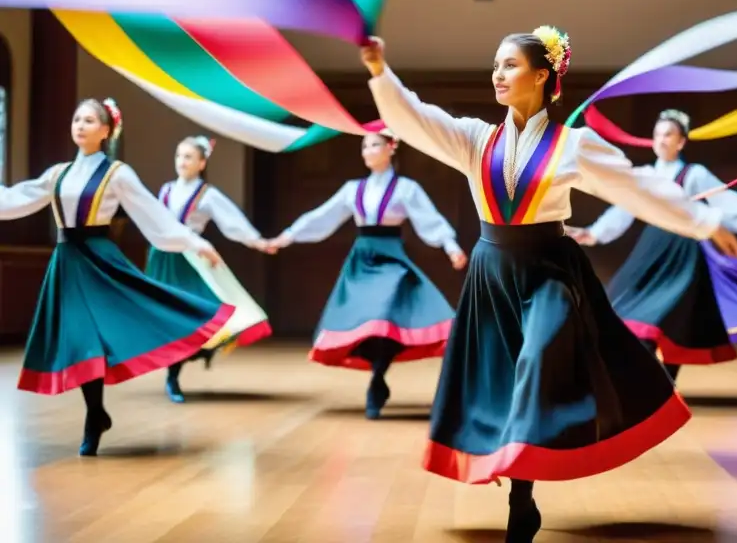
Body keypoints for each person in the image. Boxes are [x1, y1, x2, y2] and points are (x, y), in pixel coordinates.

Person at [361, 26, 737, 542]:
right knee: (501, 381)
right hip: (492, 274)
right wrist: (381, 74)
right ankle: (523, 486)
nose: (498, 74)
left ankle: (521, 497)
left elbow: (637, 188)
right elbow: (415, 120)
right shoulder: (476, 139)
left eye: (510, 65)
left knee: (538, 362)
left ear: (542, 76)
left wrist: (704, 223)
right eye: (495, 64)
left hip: (549, 271)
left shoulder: (573, 146)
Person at [0, 98, 232, 456]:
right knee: (80, 340)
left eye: (90, 120)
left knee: (98, 337)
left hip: (100, 260)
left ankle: (94, 418)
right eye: (77, 118)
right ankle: (96, 413)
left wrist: (194, 242)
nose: (80, 125)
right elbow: (16, 199)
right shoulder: (57, 173)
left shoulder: (117, 173)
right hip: (67, 262)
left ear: (106, 131)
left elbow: (153, 214)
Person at [566, 109, 737, 380]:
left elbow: (726, 201)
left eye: (668, 134)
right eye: (658, 135)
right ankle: (643, 379)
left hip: (684, 253)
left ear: (681, 142)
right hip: (652, 251)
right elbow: (623, 209)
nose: (662, 140)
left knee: (673, 315)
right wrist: (593, 234)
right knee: (628, 308)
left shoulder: (693, 174)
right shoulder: (645, 175)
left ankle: (663, 381)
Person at [267, 129, 466, 419]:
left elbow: (430, 221)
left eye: (374, 145)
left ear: (391, 148)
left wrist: (451, 247)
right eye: (364, 146)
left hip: (391, 257)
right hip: (362, 259)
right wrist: (286, 237)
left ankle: (377, 378)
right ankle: (378, 371)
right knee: (368, 323)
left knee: (384, 314)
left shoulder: (406, 188)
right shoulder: (353, 189)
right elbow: (323, 217)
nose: (367, 151)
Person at [147, 135, 274, 404]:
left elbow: (233, 222)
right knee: (168, 316)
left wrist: (257, 241)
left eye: (189, 157)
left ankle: (188, 361)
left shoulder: (208, 194)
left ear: (202, 163)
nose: (182, 161)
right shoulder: (166, 189)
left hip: (192, 260)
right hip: (164, 257)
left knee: (197, 313)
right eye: (179, 156)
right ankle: (174, 372)